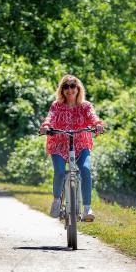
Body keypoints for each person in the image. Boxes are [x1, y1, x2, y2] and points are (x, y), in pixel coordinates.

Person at [39, 74, 104, 222]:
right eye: (66, 86)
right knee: (60, 172)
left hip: (81, 144)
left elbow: (92, 116)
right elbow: (50, 116)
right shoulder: (56, 105)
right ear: (62, 90)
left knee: (86, 170)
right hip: (58, 144)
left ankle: (87, 208)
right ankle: (56, 199)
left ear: (78, 88)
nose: (69, 89)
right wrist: (46, 126)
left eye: (72, 86)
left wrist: (97, 125)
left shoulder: (85, 106)